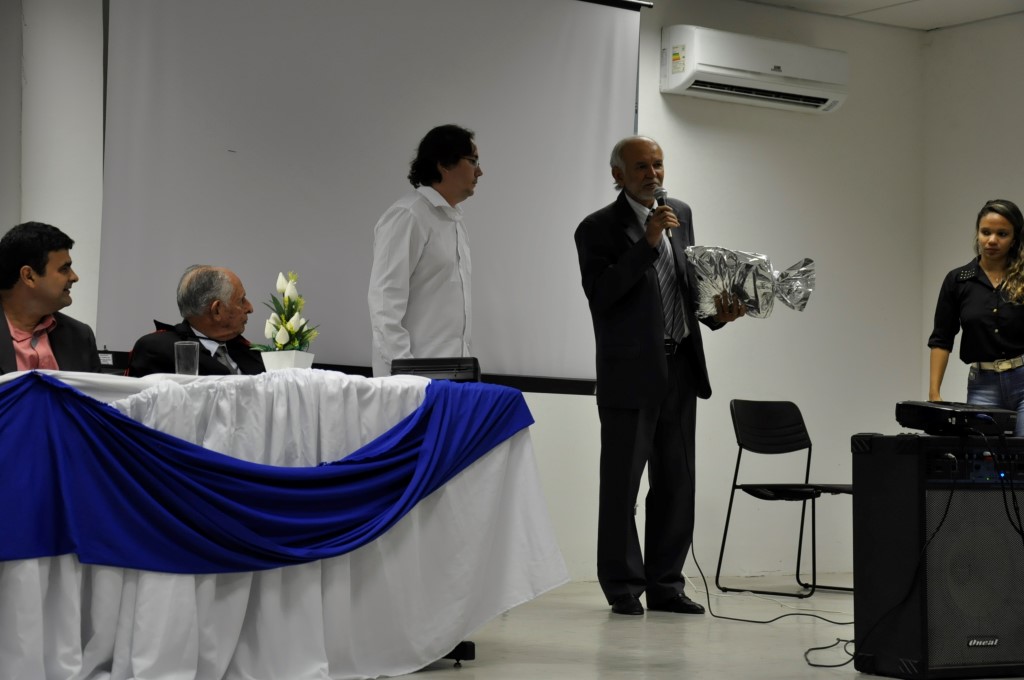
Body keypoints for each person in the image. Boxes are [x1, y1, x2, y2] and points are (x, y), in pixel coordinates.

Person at [574, 136, 745, 616]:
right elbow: (603, 295)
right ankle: (623, 587)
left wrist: (717, 314)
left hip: (681, 368)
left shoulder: (680, 214)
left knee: (676, 484)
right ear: (618, 175)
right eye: (641, 167)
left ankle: (667, 585)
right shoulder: (596, 228)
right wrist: (647, 242)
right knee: (622, 487)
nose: (653, 174)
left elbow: (684, 288)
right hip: (630, 374)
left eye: (658, 165)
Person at [368, 124, 482, 377]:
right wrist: (406, 375)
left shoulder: (455, 222)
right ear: (444, 164)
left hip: (454, 378)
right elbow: (385, 303)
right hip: (412, 381)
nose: (480, 171)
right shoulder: (408, 215)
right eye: (473, 161)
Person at [929, 198, 1024, 434]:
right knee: (980, 453)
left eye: (1002, 234)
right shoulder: (958, 281)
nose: (992, 240)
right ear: (978, 234)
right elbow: (942, 338)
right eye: (986, 232)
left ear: (1014, 239)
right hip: (983, 385)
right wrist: (934, 394)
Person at [0, 222, 101, 373]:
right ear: (29, 276)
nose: (74, 277)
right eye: (64, 269)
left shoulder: (80, 336)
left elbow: (95, 389)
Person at [126, 265, 264, 376]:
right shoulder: (159, 350)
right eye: (241, 300)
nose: (250, 308)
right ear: (217, 310)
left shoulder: (246, 349)